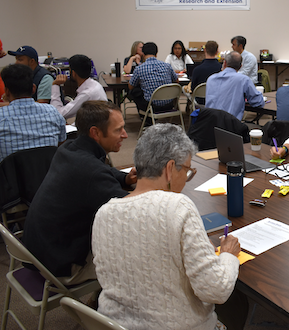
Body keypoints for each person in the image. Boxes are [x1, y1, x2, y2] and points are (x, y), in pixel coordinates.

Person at [93, 124, 243, 330]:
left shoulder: (103, 213)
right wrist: (228, 255)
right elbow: (216, 290)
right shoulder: (178, 206)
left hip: (115, 324)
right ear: (170, 168)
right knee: (238, 304)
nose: (187, 180)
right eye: (188, 171)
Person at [22, 101, 137, 283]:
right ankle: (109, 305)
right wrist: (160, 186)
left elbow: (99, 168)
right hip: (61, 265)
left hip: (39, 250)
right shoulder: (90, 171)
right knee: (136, 251)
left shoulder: (69, 148)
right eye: (118, 130)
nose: (124, 135)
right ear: (95, 133)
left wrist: (124, 178)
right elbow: (134, 208)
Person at [0, 64, 65, 171]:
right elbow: (61, 144)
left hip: (9, 183)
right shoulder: (52, 112)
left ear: (7, 91)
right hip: (47, 182)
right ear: (33, 88)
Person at [205, 51, 264, 120]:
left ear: (224, 63)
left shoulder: (211, 79)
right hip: (230, 126)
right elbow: (257, 102)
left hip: (209, 123)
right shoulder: (243, 80)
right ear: (240, 67)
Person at [51, 54, 108, 119]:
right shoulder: (95, 84)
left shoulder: (87, 94)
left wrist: (55, 85)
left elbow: (58, 114)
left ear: (73, 73)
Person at [129, 42, 178, 114]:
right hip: (169, 104)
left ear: (143, 53)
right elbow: (177, 81)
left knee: (134, 91)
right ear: (156, 54)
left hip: (152, 106)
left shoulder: (139, 68)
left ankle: (144, 117)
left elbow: (130, 86)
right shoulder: (167, 66)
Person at [190, 40, 221, 105]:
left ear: (204, 50)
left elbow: (193, 89)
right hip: (217, 100)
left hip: (201, 101)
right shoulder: (222, 69)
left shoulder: (197, 69)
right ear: (217, 51)